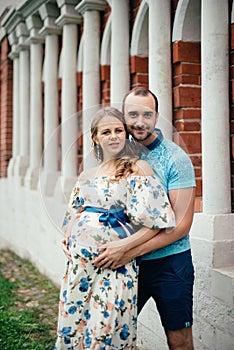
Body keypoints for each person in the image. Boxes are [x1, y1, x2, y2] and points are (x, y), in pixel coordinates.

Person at [54, 107, 175, 350]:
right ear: (95, 138)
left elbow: (159, 222)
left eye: (118, 130)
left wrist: (123, 246)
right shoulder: (86, 174)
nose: (113, 136)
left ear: (126, 134)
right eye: (106, 131)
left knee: (105, 332)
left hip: (115, 267)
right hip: (79, 269)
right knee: (74, 329)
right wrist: (66, 238)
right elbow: (73, 213)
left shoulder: (138, 168)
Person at [93, 88, 196, 350]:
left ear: (157, 117)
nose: (140, 121)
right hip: (125, 267)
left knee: (179, 341)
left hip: (170, 265)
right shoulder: (116, 153)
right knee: (111, 335)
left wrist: (128, 249)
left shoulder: (175, 158)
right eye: (133, 114)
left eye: (147, 114)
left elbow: (181, 225)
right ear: (123, 116)